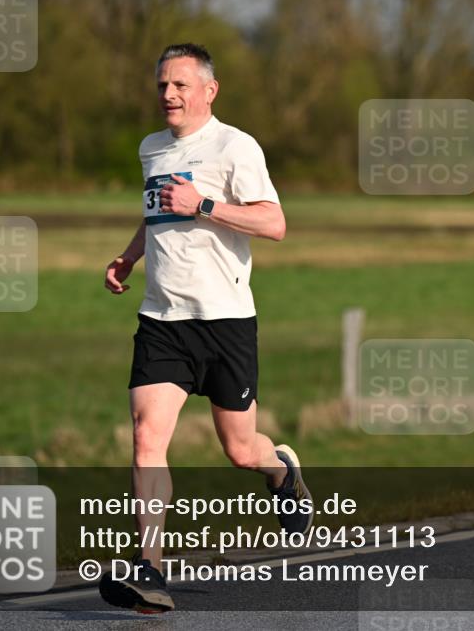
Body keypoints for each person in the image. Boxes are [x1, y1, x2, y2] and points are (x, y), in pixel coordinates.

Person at [99, 43, 312, 614]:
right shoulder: (151, 148)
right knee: (147, 436)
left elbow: (274, 223)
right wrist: (129, 256)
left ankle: (281, 471)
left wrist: (204, 205)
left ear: (209, 91)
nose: (168, 94)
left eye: (180, 85)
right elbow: (156, 212)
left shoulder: (235, 146)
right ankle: (149, 570)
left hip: (225, 322)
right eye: (162, 85)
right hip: (162, 319)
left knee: (241, 450)